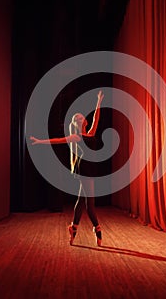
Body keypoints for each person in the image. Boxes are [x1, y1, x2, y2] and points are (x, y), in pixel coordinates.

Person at [30, 90, 104, 246]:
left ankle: (74, 227)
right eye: (76, 118)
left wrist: (98, 102)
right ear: (76, 124)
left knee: (80, 199)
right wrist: (40, 141)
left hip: (89, 170)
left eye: (80, 116)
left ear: (85, 121)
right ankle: (97, 229)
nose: (80, 117)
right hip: (84, 170)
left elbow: (96, 118)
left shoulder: (91, 133)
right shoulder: (76, 137)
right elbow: (58, 140)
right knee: (90, 203)